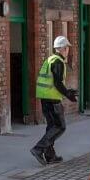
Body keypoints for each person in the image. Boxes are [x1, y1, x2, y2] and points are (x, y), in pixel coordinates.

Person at [31, 36, 78, 165]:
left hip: (45, 97)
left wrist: (68, 92)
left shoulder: (50, 59)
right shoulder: (58, 62)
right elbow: (57, 82)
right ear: (63, 49)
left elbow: (54, 81)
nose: (68, 50)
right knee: (60, 126)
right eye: (67, 47)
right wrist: (68, 94)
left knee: (52, 126)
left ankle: (50, 156)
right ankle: (38, 149)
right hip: (52, 98)